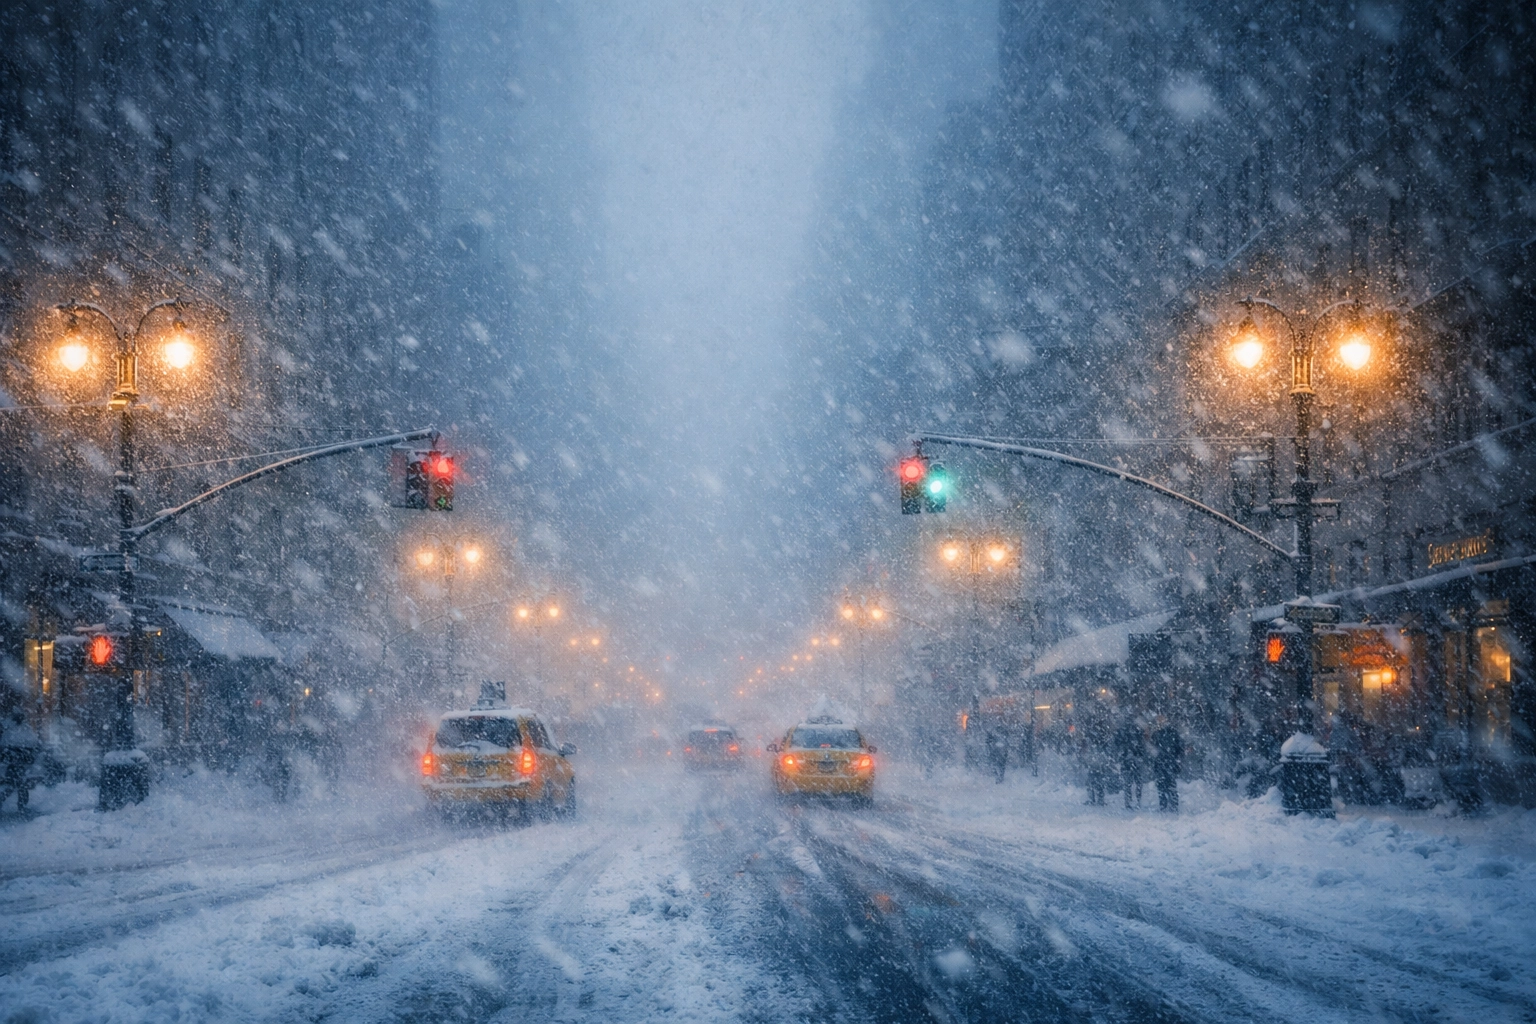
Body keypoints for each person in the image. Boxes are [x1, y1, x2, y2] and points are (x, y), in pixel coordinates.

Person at [2, 710, 42, 812]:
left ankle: (14, 803)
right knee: (19, 786)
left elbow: (4, 744)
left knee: (13, 785)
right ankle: (21, 806)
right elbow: (33, 743)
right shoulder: (25, 730)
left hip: (14, 762)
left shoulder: (11, 731)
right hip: (20, 763)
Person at [1114, 714, 1147, 809]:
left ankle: (1128, 802)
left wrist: (1121, 756)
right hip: (1135, 759)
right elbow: (1142, 745)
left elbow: (1117, 744)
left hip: (1127, 760)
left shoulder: (1121, 731)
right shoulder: (1137, 730)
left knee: (1128, 783)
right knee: (1137, 783)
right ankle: (1137, 801)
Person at [1151, 715, 1182, 812]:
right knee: (1165, 786)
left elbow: (1179, 748)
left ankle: (1168, 806)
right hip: (1165, 763)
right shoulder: (1160, 733)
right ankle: (1168, 806)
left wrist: (1177, 760)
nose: (1160, 722)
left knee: (1166, 785)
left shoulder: (1169, 733)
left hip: (1167, 762)